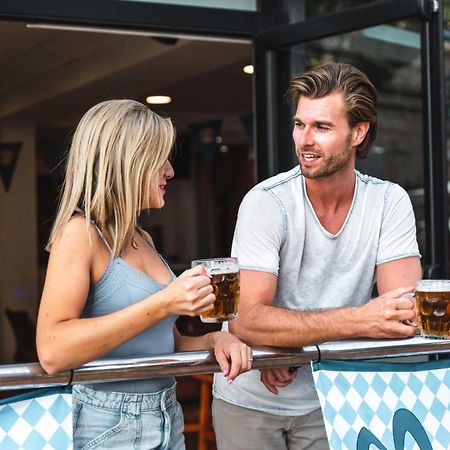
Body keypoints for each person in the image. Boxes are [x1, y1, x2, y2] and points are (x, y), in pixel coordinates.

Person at [212, 62, 422, 450]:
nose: (304, 140)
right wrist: (360, 319)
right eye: (299, 124)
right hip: (252, 398)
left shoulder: (388, 200)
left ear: (358, 133)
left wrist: (291, 341)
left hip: (338, 392)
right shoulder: (266, 202)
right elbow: (247, 321)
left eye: (322, 127)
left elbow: (400, 317)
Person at [36, 99, 252, 450]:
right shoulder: (80, 233)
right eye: (160, 160)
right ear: (127, 162)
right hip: (106, 424)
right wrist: (166, 302)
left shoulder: (143, 238)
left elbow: (164, 343)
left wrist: (214, 341)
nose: (170, 171)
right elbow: (52, 351)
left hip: (166, 414)